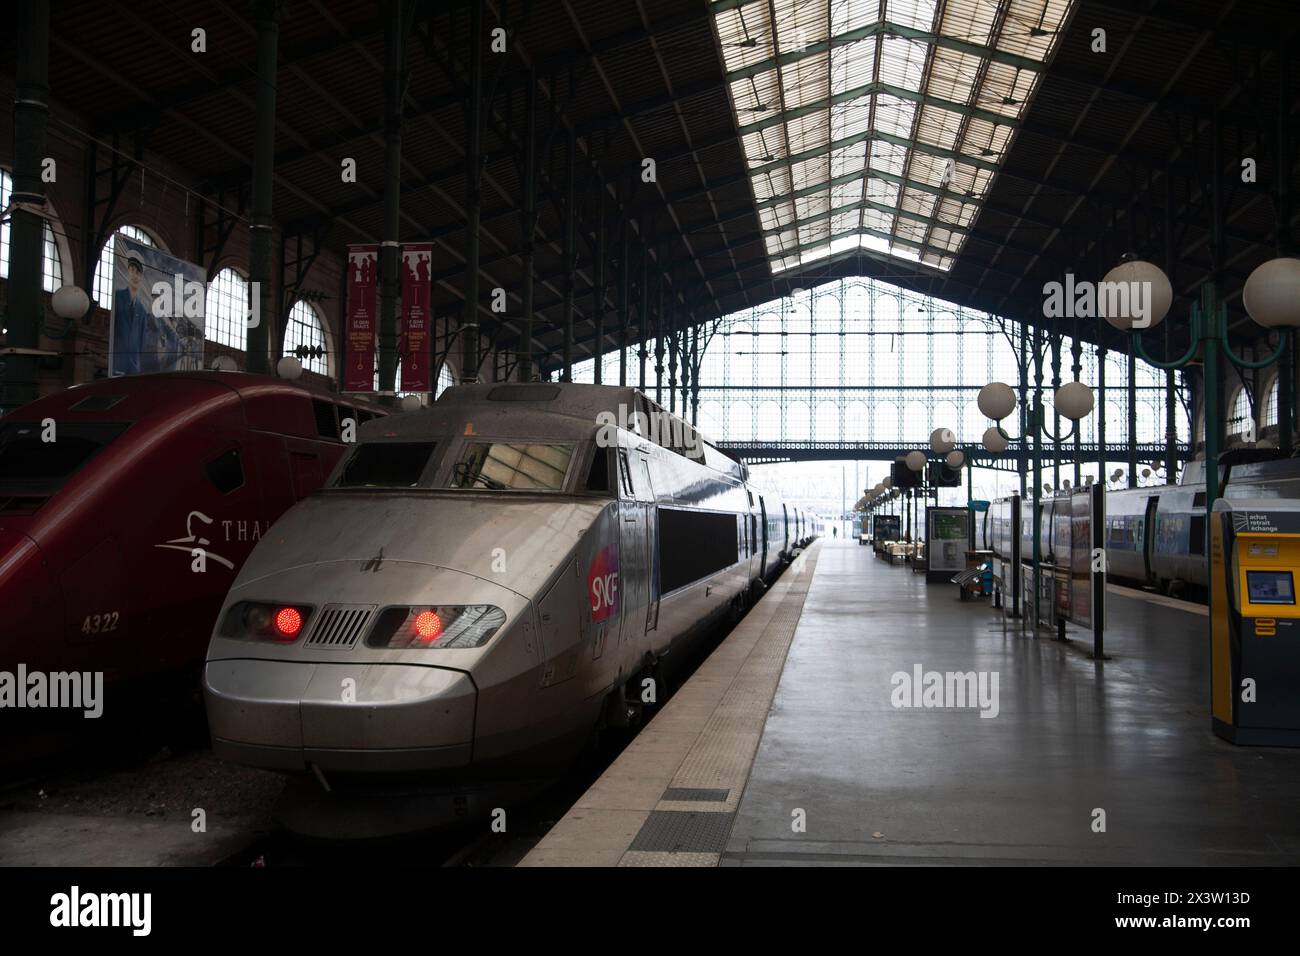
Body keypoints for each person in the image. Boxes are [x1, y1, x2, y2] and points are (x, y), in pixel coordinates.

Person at [112, 255, 150, 375]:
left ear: (141, 277)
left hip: (134, 369)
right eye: (132, 270)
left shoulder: (143, 311)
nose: (135, 276)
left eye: (138, 273)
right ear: (128, 272)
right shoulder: (117, 297)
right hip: (116, 366)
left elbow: (142, 344)